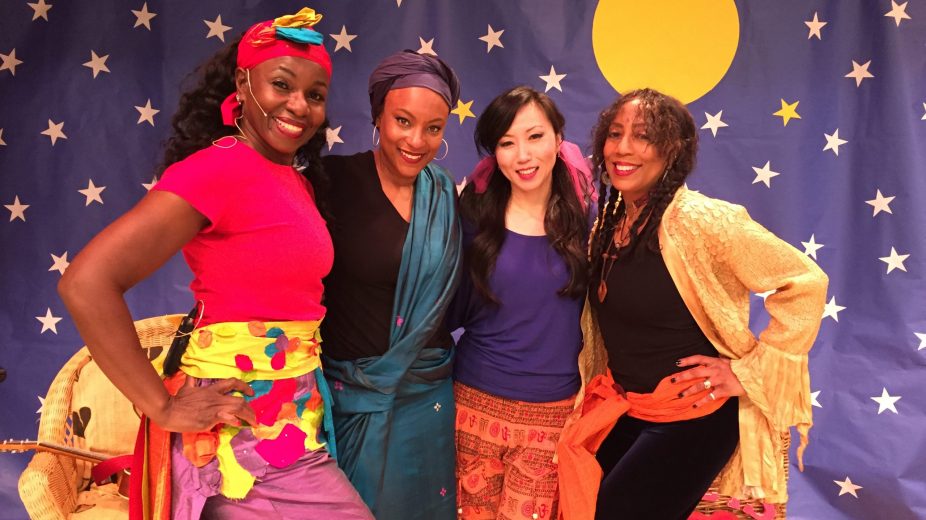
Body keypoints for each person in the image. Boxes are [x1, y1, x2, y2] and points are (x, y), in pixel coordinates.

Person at [58, 8, 372, 519]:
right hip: (238, 440)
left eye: (315, 94)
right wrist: (161, 405)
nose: (299, 105)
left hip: (292, 425)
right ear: (242, 85)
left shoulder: (294, 179)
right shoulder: (218, 169)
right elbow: (87, 283)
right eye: (281, 84)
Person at [554, 88, 829, 520]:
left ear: (672, 149)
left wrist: (748, 372)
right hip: (631, 405)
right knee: (577, 498)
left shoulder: (703, 221)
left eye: (643, 136)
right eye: (615, 133)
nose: (622, 148)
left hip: (695, 415)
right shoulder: (607, 225)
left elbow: (806, 282)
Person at [313, 50, 462, 519]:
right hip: (352, 395)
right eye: (403, 121)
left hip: (428, 393)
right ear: (378, 115)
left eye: (433, 128)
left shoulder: (444, 194)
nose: (417, 140)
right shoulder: (329, 182)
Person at [449, 86, 592, 520]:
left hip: (551, 412)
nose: (523, 155)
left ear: (558, 138)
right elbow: (449, 302)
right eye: (507, 143)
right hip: (472, 402)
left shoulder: (590, 216)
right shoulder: (473, 213)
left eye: (535, 137)